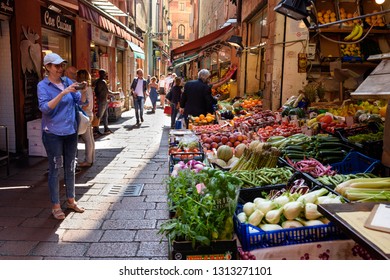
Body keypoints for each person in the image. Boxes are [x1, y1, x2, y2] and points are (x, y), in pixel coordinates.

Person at [37, 53, 86, 220]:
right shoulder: (43, 86)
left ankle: (71, 200)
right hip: (53, 134)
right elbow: (45, 109)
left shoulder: (67, 81)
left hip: (70, 131)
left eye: (62, 65)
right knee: (56, 168)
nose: (60, 69)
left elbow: (78, 101)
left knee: (71, 166)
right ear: (48, 67)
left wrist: (81, 89)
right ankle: (56, 205)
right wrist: (62, 93)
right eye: (56, 66)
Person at [76, 69, 95, 168]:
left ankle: (88, 160)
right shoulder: (89, 88)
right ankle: (91, 159)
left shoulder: (83, 89)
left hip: (85, 114)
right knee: (90, 138)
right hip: (89, 114)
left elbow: (84, 105)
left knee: (87, 139)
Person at [94, 69, 112, 135]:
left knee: (105, 115)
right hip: (102, 100)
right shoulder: (103, 82)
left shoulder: (97, 81)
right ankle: (96, 129)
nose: (105, 75)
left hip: (102, 100)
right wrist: (114, 93)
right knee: (100, 115)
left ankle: (106, 128)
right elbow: (107, 91)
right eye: (104, 74)